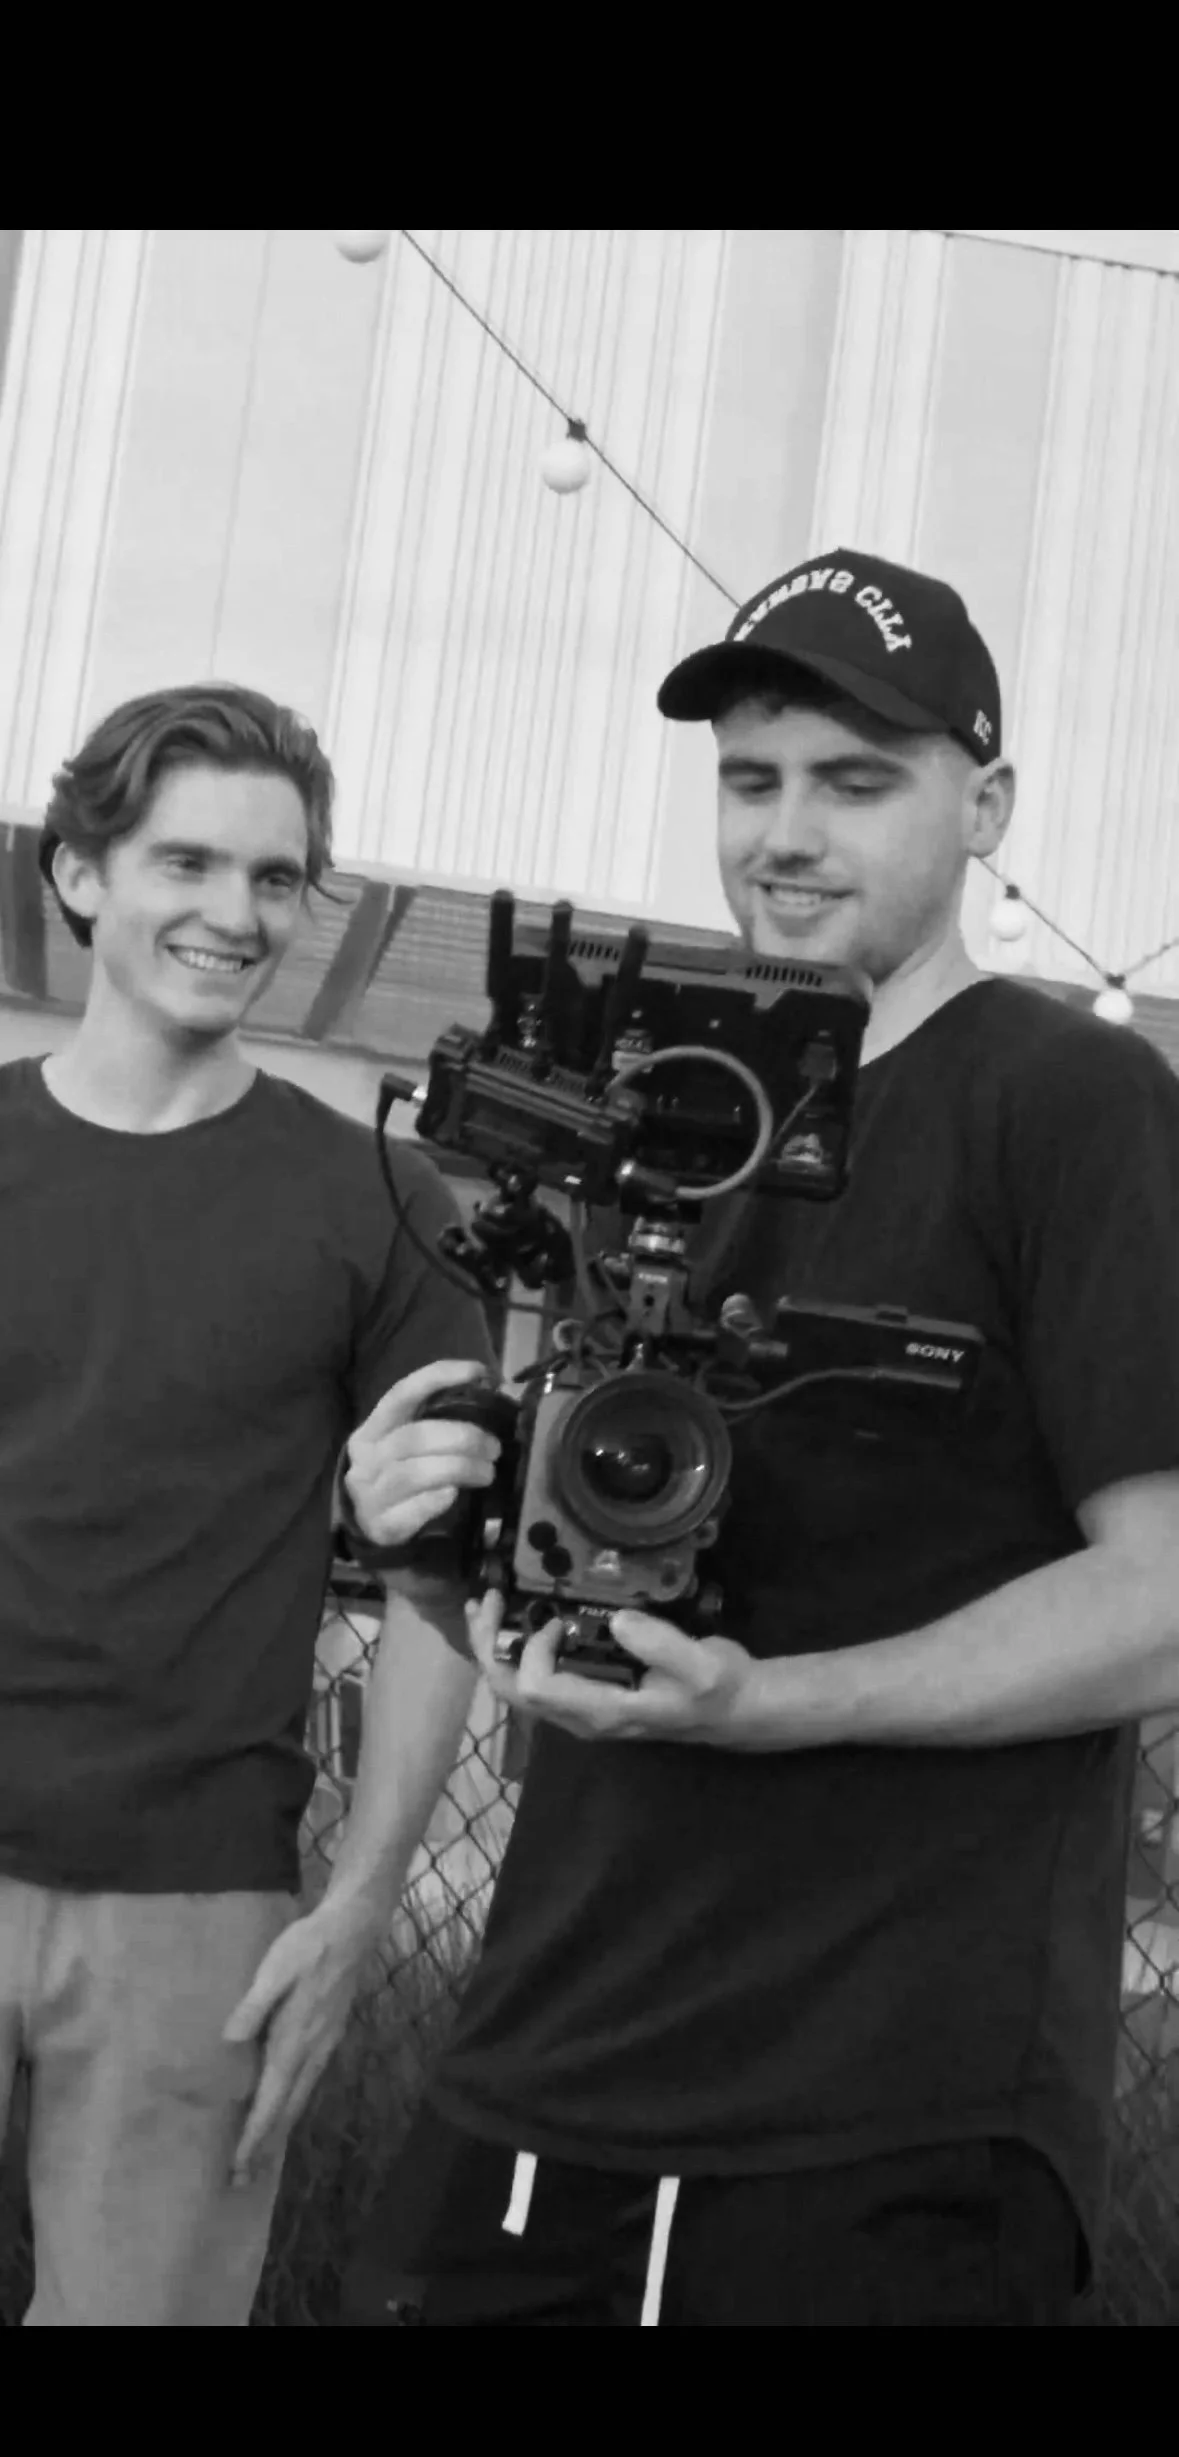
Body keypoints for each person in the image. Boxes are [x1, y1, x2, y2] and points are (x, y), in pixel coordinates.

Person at [368, 548, 1179, 2327]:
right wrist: (429, 1543)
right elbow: (577, 1596)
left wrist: (773, 1707)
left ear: (986, 807)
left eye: (852, 780)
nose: (784, 833)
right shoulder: (657, 1125)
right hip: (541, 2067)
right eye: (750, 781)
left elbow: (1164, 1596)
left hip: (878, 2109)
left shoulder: (1073, 1104)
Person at [0, 682, 503, 2326]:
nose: (234, 914)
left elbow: (439, 1595)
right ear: (81, 875)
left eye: (276, 880)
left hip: (196, 1909)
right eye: (187, 863)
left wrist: (356, 1911)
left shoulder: (379, 1196)